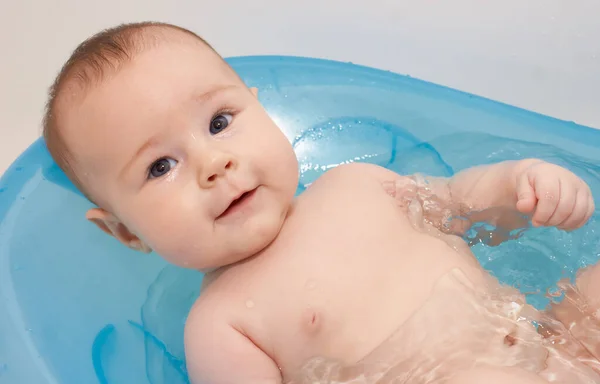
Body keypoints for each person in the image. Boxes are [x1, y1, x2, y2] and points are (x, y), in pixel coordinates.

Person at [42, 21, 599, 383]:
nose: (214, 165)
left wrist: (518, 186)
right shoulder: (222, 327)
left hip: (549, 350)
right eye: (161, 166)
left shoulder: (356, 182)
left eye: (219, 123)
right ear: (125, 232)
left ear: (260, 112)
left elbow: (463, 209)